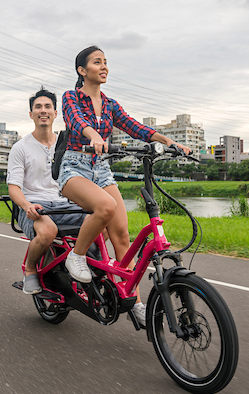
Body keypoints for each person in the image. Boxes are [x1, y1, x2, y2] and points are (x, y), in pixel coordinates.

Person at [58, 45, 191, 324]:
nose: (104, 66)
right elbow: (75, 119)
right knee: (105, 207)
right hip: (74, 167)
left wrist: (168, 141)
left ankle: (136, 303)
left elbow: (133, 126)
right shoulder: (71, 96)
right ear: (82, 71)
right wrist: (94, 136)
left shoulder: (110, 104)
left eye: (106, 62)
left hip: (101, 169)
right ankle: (76, 256)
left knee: (121, 235)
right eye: (97, 62)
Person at [7, 87, 87, 295]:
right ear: (31, 114)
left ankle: (78, 260)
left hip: (65, 205)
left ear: (55, 113)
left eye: (48, 107)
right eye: (38, 107)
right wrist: (26, 206)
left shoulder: (67, 145)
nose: (43, 110)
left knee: (103, 220)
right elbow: (14, 187)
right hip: (34, 207)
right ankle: (31, 270)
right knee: (48, 231)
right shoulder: (21, 147)